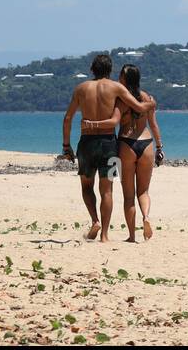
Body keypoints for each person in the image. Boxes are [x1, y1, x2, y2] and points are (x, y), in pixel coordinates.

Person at [61, 53, 157, 241]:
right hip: (109, 145)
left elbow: (68, 119)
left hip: (87, 143)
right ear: (111, 70)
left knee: (87, 187)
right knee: (107, 190)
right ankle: (104, 235)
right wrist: (152, 103)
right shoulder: (116, 88)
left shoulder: (81, 88)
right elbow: (138, 107)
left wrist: (66, 146)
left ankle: (95, 220)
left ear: (91, 69)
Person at [113, 63, 163, 241]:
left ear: (124, 79)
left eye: (120, 75)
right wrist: (159, 147)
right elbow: (154, 125)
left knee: (128, 195)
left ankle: (132, 235)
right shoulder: (148, 98)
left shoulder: (120, 99)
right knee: (144, 191)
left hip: (126, 144)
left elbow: (113, 122)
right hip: (146, 143)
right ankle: (146, 217)